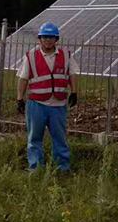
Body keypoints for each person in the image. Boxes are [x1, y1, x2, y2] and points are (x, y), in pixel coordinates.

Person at [16, 22, 79, 173]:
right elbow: (23, 78)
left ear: (56, 39)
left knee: (59, 138)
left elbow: (72, 74)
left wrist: (74, 92)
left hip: (58, 104)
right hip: (36, 104)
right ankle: (35, 167)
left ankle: (62, 168)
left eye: (51, 37)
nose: (48, 40)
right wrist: (19, 98)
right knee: (34, 137)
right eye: (44, 37)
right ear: (39, 39)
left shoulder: (66, 55)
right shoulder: (30, 56)